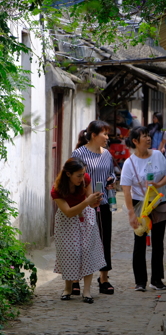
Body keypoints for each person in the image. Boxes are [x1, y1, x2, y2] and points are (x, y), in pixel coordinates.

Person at [120, 126, 166, 292]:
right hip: (139, 204)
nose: (148, 139)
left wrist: (159, 184)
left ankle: (157, 280)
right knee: (140, 241)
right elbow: (126, 190)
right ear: (135, 141)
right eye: (144, 136)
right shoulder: (129, 163)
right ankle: (140, 281)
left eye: (148, 136)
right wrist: (130, 213)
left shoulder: (157, 155)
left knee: (158, 241)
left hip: (158, 201)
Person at [51, 157, 106, 303]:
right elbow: (68, 212)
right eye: (79, 175)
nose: (82, 178)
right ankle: (67, 288)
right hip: (66, 221)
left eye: (83, 174)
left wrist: (94, 200)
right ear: (68, 174)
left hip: (86, 217)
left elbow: (91, 202)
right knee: (69, 253)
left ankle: (87, 291)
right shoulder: (57, 190)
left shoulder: (85, 179)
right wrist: (87, 202)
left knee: (88, 251)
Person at [71, 120, 116, 295]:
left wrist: (112, 181)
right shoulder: (79, 153)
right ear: (93, 135)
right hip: (83, 204)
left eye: (107, 134)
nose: (107, 137)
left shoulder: (107, 154)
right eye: (104, 134)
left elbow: (111, 173)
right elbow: (72, 177)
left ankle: (104, 278)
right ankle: (75, 280)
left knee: (104, 241)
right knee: (81, 242)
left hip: (103, 203)